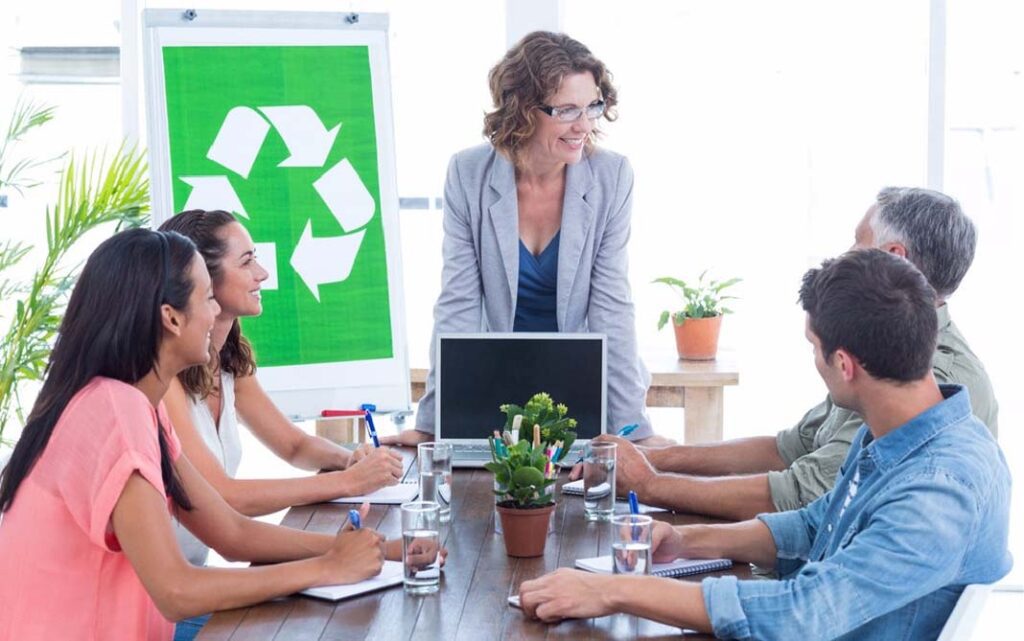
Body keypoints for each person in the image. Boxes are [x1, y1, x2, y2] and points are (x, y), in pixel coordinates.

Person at [518, 249, 1012, 640]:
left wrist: (613, 591)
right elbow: (818, 524)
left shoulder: (938, 494)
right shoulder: (904, 429)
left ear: (844, 364)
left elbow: (803, 612)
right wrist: (687, 541)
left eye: (813, 348)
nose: (813, 361)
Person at [0, 229, 437, 640]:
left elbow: (231, 533)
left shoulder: (133, 405)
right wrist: (327, 567)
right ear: (171, 318)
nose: (216, 314)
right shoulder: (116, 409)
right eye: (208, 298)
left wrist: (380, 549)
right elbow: (175, 591)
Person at [586, 187, 998, 520]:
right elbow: (791, 448)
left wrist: (650, 483)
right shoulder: (881, 339)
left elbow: (805, 494)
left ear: (892, 258)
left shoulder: (927, 372)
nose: (845, 252)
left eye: (857, 241)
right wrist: (656, 457)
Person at [382, 31, 663, 447]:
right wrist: (434, 423)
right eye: (566, 110)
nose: (584, 125)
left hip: (584, 388)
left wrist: (634, 434)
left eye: (592, 106)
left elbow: (612, 309)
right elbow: (457, 306)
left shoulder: (611, 176)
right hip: (496, 386)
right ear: (523, 109)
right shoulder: (468, 174)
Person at [156, 211, 402, 554]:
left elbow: (294, 446)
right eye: (246, 262)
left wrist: (349, 461)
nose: (263, 273)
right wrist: (346, 482)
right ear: (202, 278)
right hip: (164, 583)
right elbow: (222, 496)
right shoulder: (162, 380)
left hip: (196, 571)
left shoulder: (229, 360)